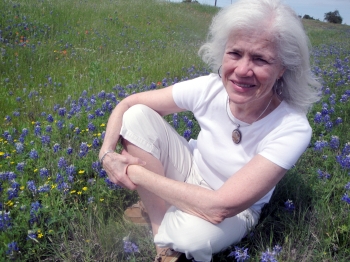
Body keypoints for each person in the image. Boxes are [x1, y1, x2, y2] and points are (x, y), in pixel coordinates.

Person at [99, 0, 321, 261]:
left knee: (191, 239)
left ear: (282, 67)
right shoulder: (210, 88)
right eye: (235, 53)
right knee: (137, 115)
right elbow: (127, 104)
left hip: (235, 210)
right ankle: (162, 238)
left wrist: (131, 171)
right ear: (222, 51)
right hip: (191, 169)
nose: (242, 70)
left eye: (260, 59)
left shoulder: (292, 127)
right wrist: (106, 154)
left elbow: (220, 207)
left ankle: (162, 212)